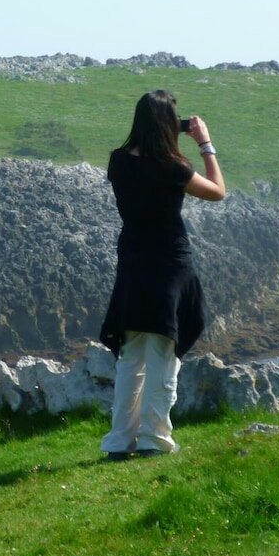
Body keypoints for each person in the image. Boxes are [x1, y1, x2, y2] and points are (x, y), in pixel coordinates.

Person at [99, 90, 225, 460]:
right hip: (169, 262)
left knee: (131, 354)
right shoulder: (174, 168)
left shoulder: (118, 161)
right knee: (162, 351)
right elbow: (217, 192)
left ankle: (119, 440)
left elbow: (140, 170)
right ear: (168, 124)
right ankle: (154, 438)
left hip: (133, 261)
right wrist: (205, 143)